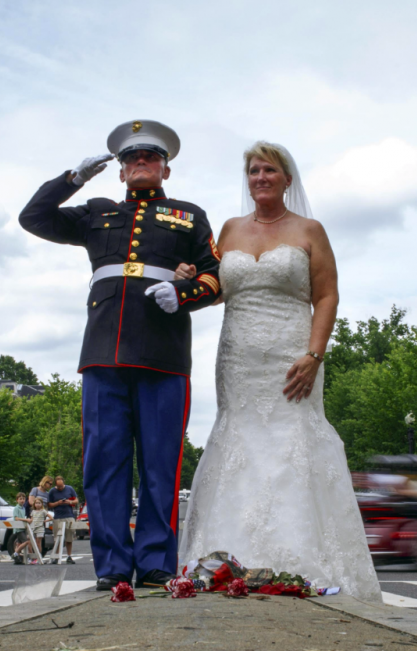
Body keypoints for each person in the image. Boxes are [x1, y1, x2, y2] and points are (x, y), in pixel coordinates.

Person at [19, 120, 222, 592]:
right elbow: (34, 218)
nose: (141, 163)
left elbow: (216, 275)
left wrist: (186, 294)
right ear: (121, 171)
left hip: (163, 354)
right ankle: (111, 564)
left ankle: (154, 561)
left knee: (160, 464)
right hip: (104, 354)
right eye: (132, 159)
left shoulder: (189, 216)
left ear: (165, 170)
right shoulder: (96, 212)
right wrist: (72, 180)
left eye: (150, 158)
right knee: (104, 465)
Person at [176, 142, 381, 601]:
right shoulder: (228, 230)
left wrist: (315, 354)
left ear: (288, 179)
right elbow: (214, 291)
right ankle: (226, 565)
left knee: (293, 441)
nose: (260, 177)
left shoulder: (310, 230)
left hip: (294, 357)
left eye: (269, 170)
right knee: (240, 439)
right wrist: (190, 276)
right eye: (253, 170)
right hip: (238, 359)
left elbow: (326, 296)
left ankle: (300, 561)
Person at [47, 476, 79, 564]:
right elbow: (49, 505)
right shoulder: (52, 491)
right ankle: (56, 556)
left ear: (63, 483)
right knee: (57, 538)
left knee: (69, 537)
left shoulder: (70, 489)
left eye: (61, 487)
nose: (60, 489)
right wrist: (58, 503)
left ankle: (69, 556)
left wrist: (70, 502)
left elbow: (76, 500)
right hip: (58, 517)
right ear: (56, 485)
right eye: (58, 487)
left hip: (69, 515)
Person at [10, 493, 30, 564]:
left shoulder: (23, 508)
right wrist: (26, 520)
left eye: (23, 499)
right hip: (19, 528)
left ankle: (17, 558)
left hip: (22, 528)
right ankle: (15, 553)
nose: (22, 500)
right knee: (26, 542)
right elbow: (16, 518)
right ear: (17, 500)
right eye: (20, 499)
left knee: (18, 543)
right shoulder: (16, 508)